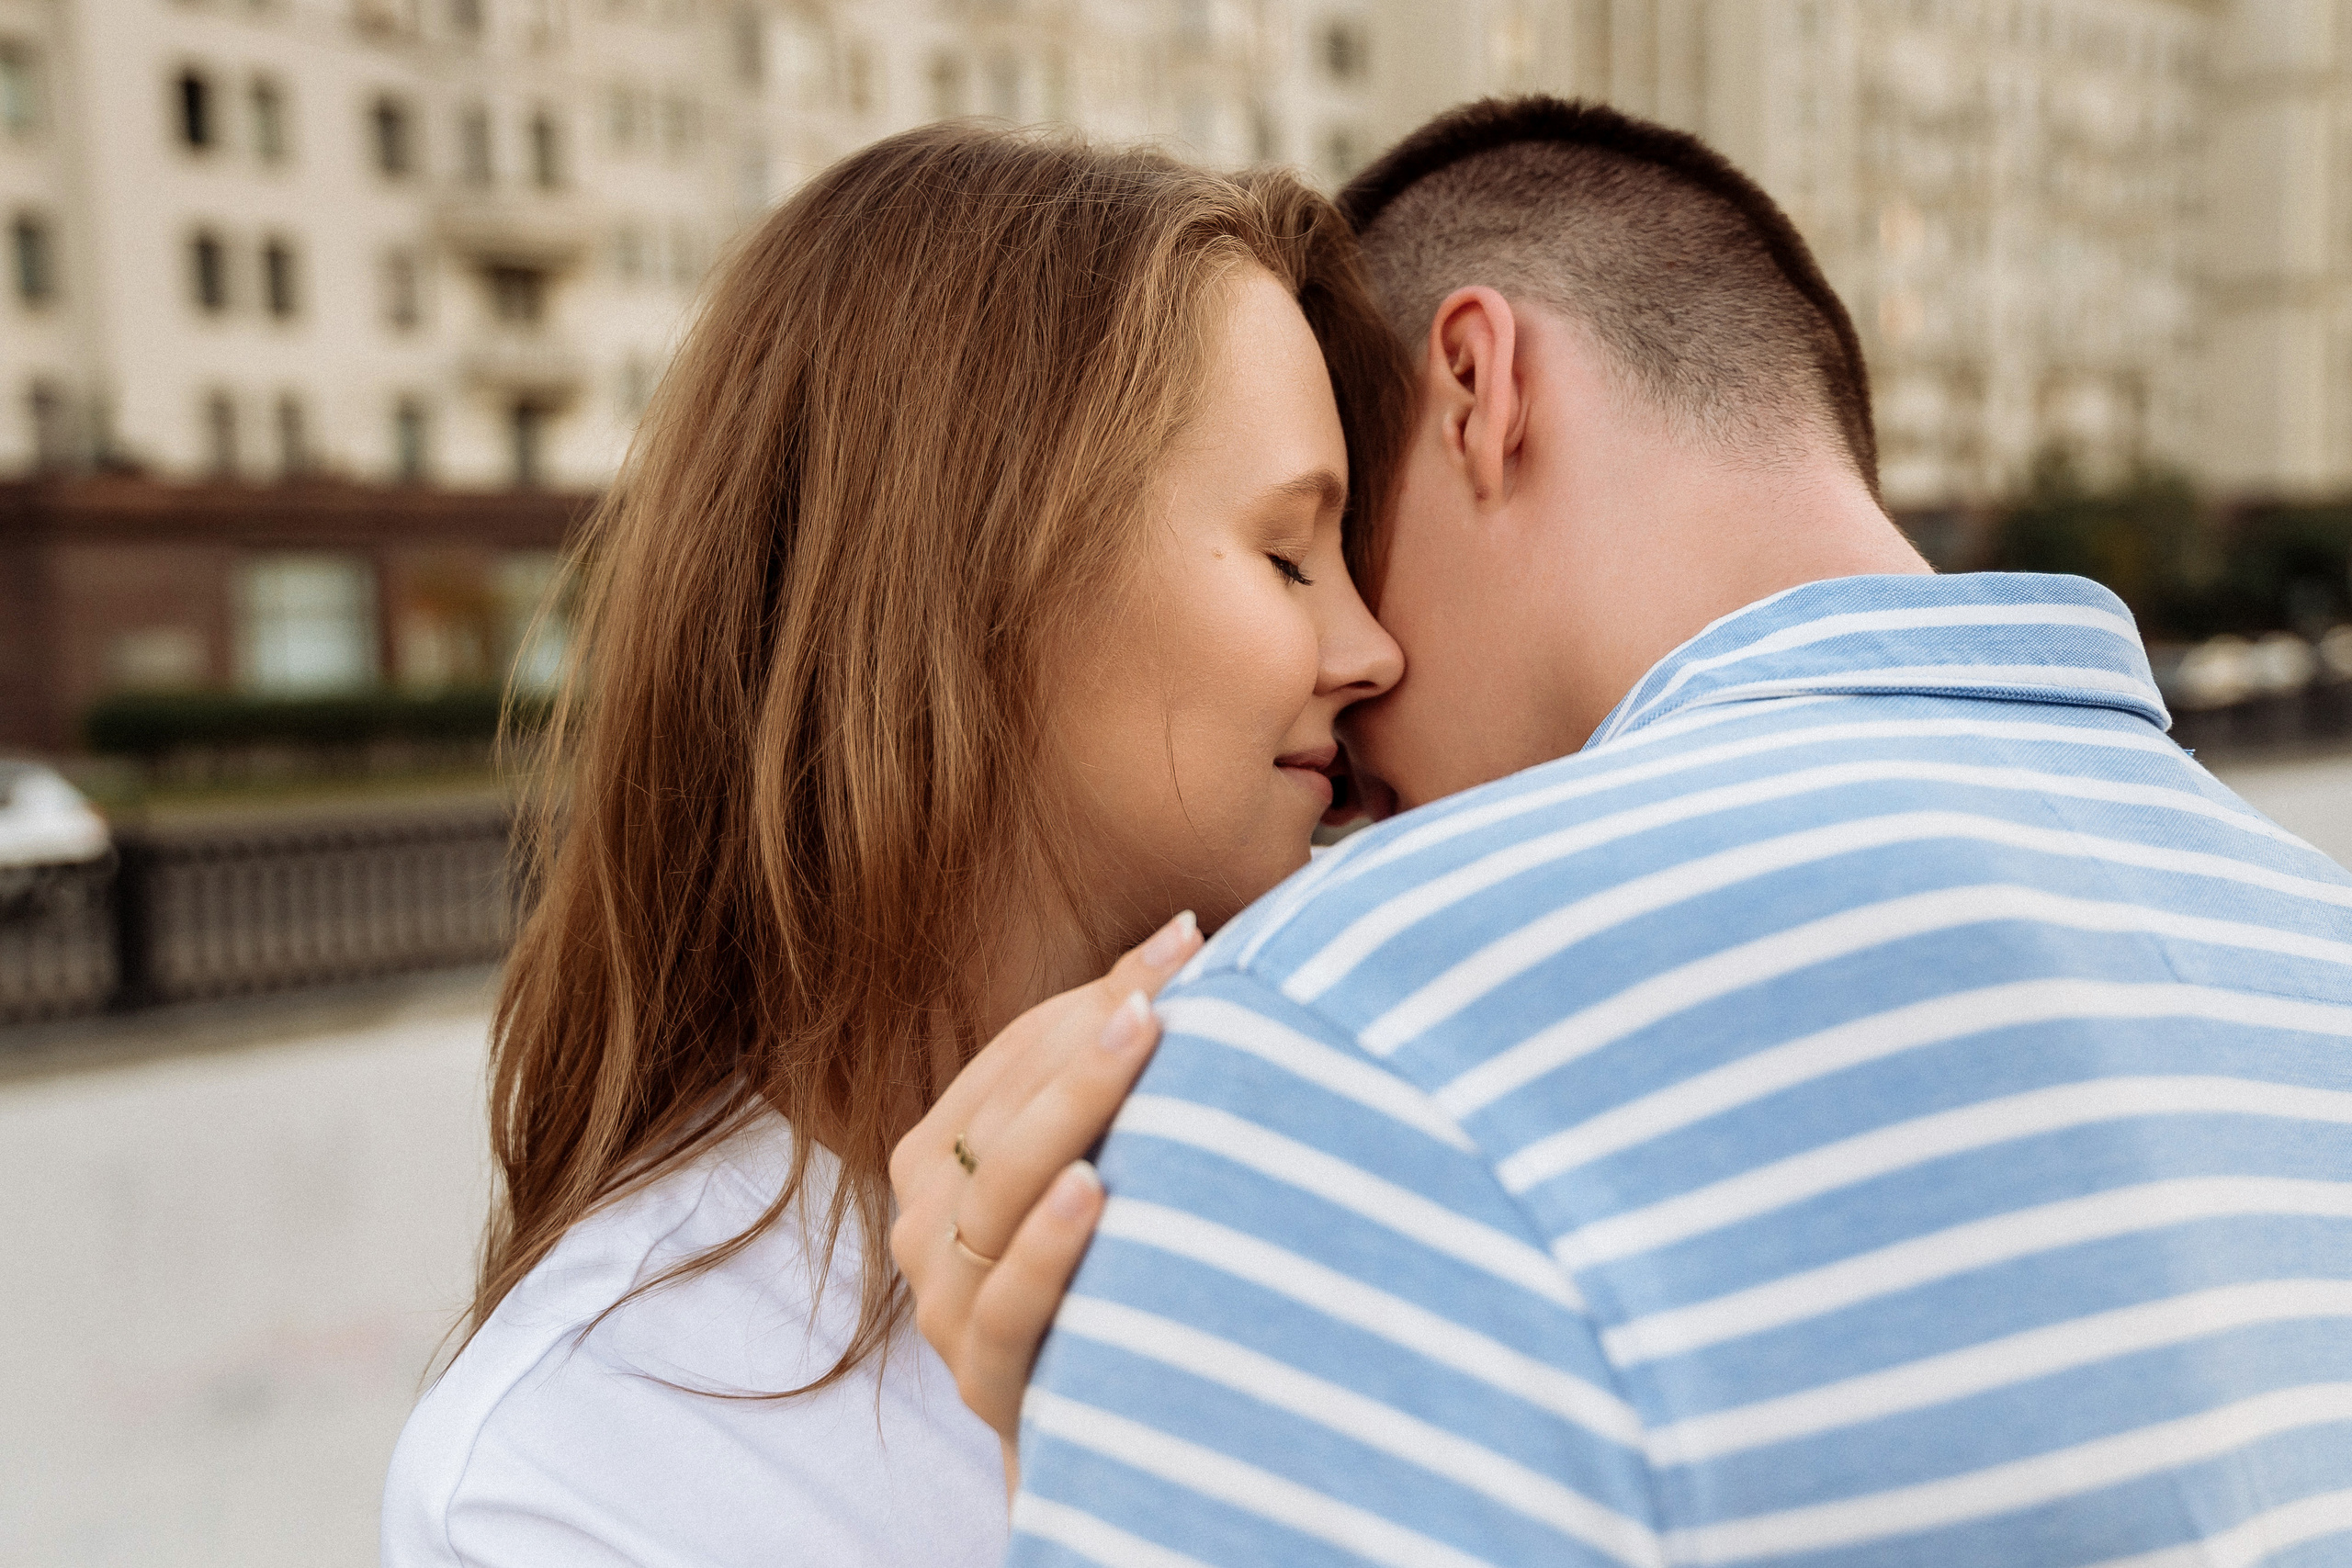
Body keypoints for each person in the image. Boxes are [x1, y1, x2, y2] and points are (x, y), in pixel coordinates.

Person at [891, 97, 2352, 1566]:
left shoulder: (1350, 1016)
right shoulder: (2315, 947)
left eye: (1347, 542)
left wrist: (1098, 1435)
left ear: (1477, 387)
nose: (1360, 678)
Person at [379, 122, 1409, 1566]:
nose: (1370, 647)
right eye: (1293, 553)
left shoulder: (1365, 1186)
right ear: (976, 577)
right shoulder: (579, 1466)